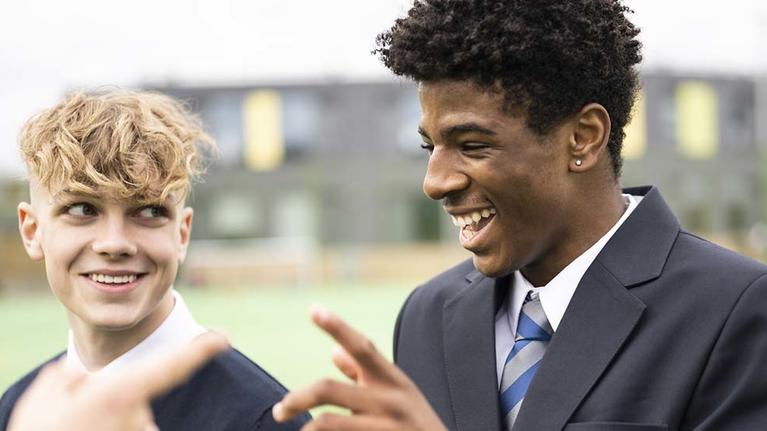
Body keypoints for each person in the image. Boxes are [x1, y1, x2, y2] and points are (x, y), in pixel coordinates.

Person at [274, 1, 767, 430]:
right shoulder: (426, 315)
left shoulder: (737, 312)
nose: (435, 181)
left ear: (584, 137)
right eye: (430, 146)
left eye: (471, 145)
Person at [0, 90, 307, 430]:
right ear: (32, 230)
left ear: (182, 234)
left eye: (148, 211)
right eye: (82, 209)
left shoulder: (267, 420)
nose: (114, 243)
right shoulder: (19, 408)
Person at [8, 332, 229, 431]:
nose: (113, 245)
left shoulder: (255, 412)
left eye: (146, 232)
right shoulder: (12, 406)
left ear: (182, 237)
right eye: (80, 232)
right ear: (31, 236)